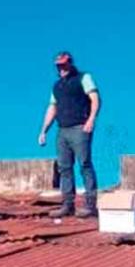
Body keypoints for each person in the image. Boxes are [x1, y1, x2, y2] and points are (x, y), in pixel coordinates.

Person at [38, 51, 101, 218]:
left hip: (80, 127)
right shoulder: (57, 86)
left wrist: (91, 120)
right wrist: (44, 130)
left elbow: (95, 98)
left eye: (64, 65)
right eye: (58, 66)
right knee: (64, 168)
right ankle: (67, 204)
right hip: (62, 130)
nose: (61, 69)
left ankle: (90, 204)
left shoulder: (83, 78)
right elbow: (52, 108)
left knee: (85, 164)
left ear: (70, 64)